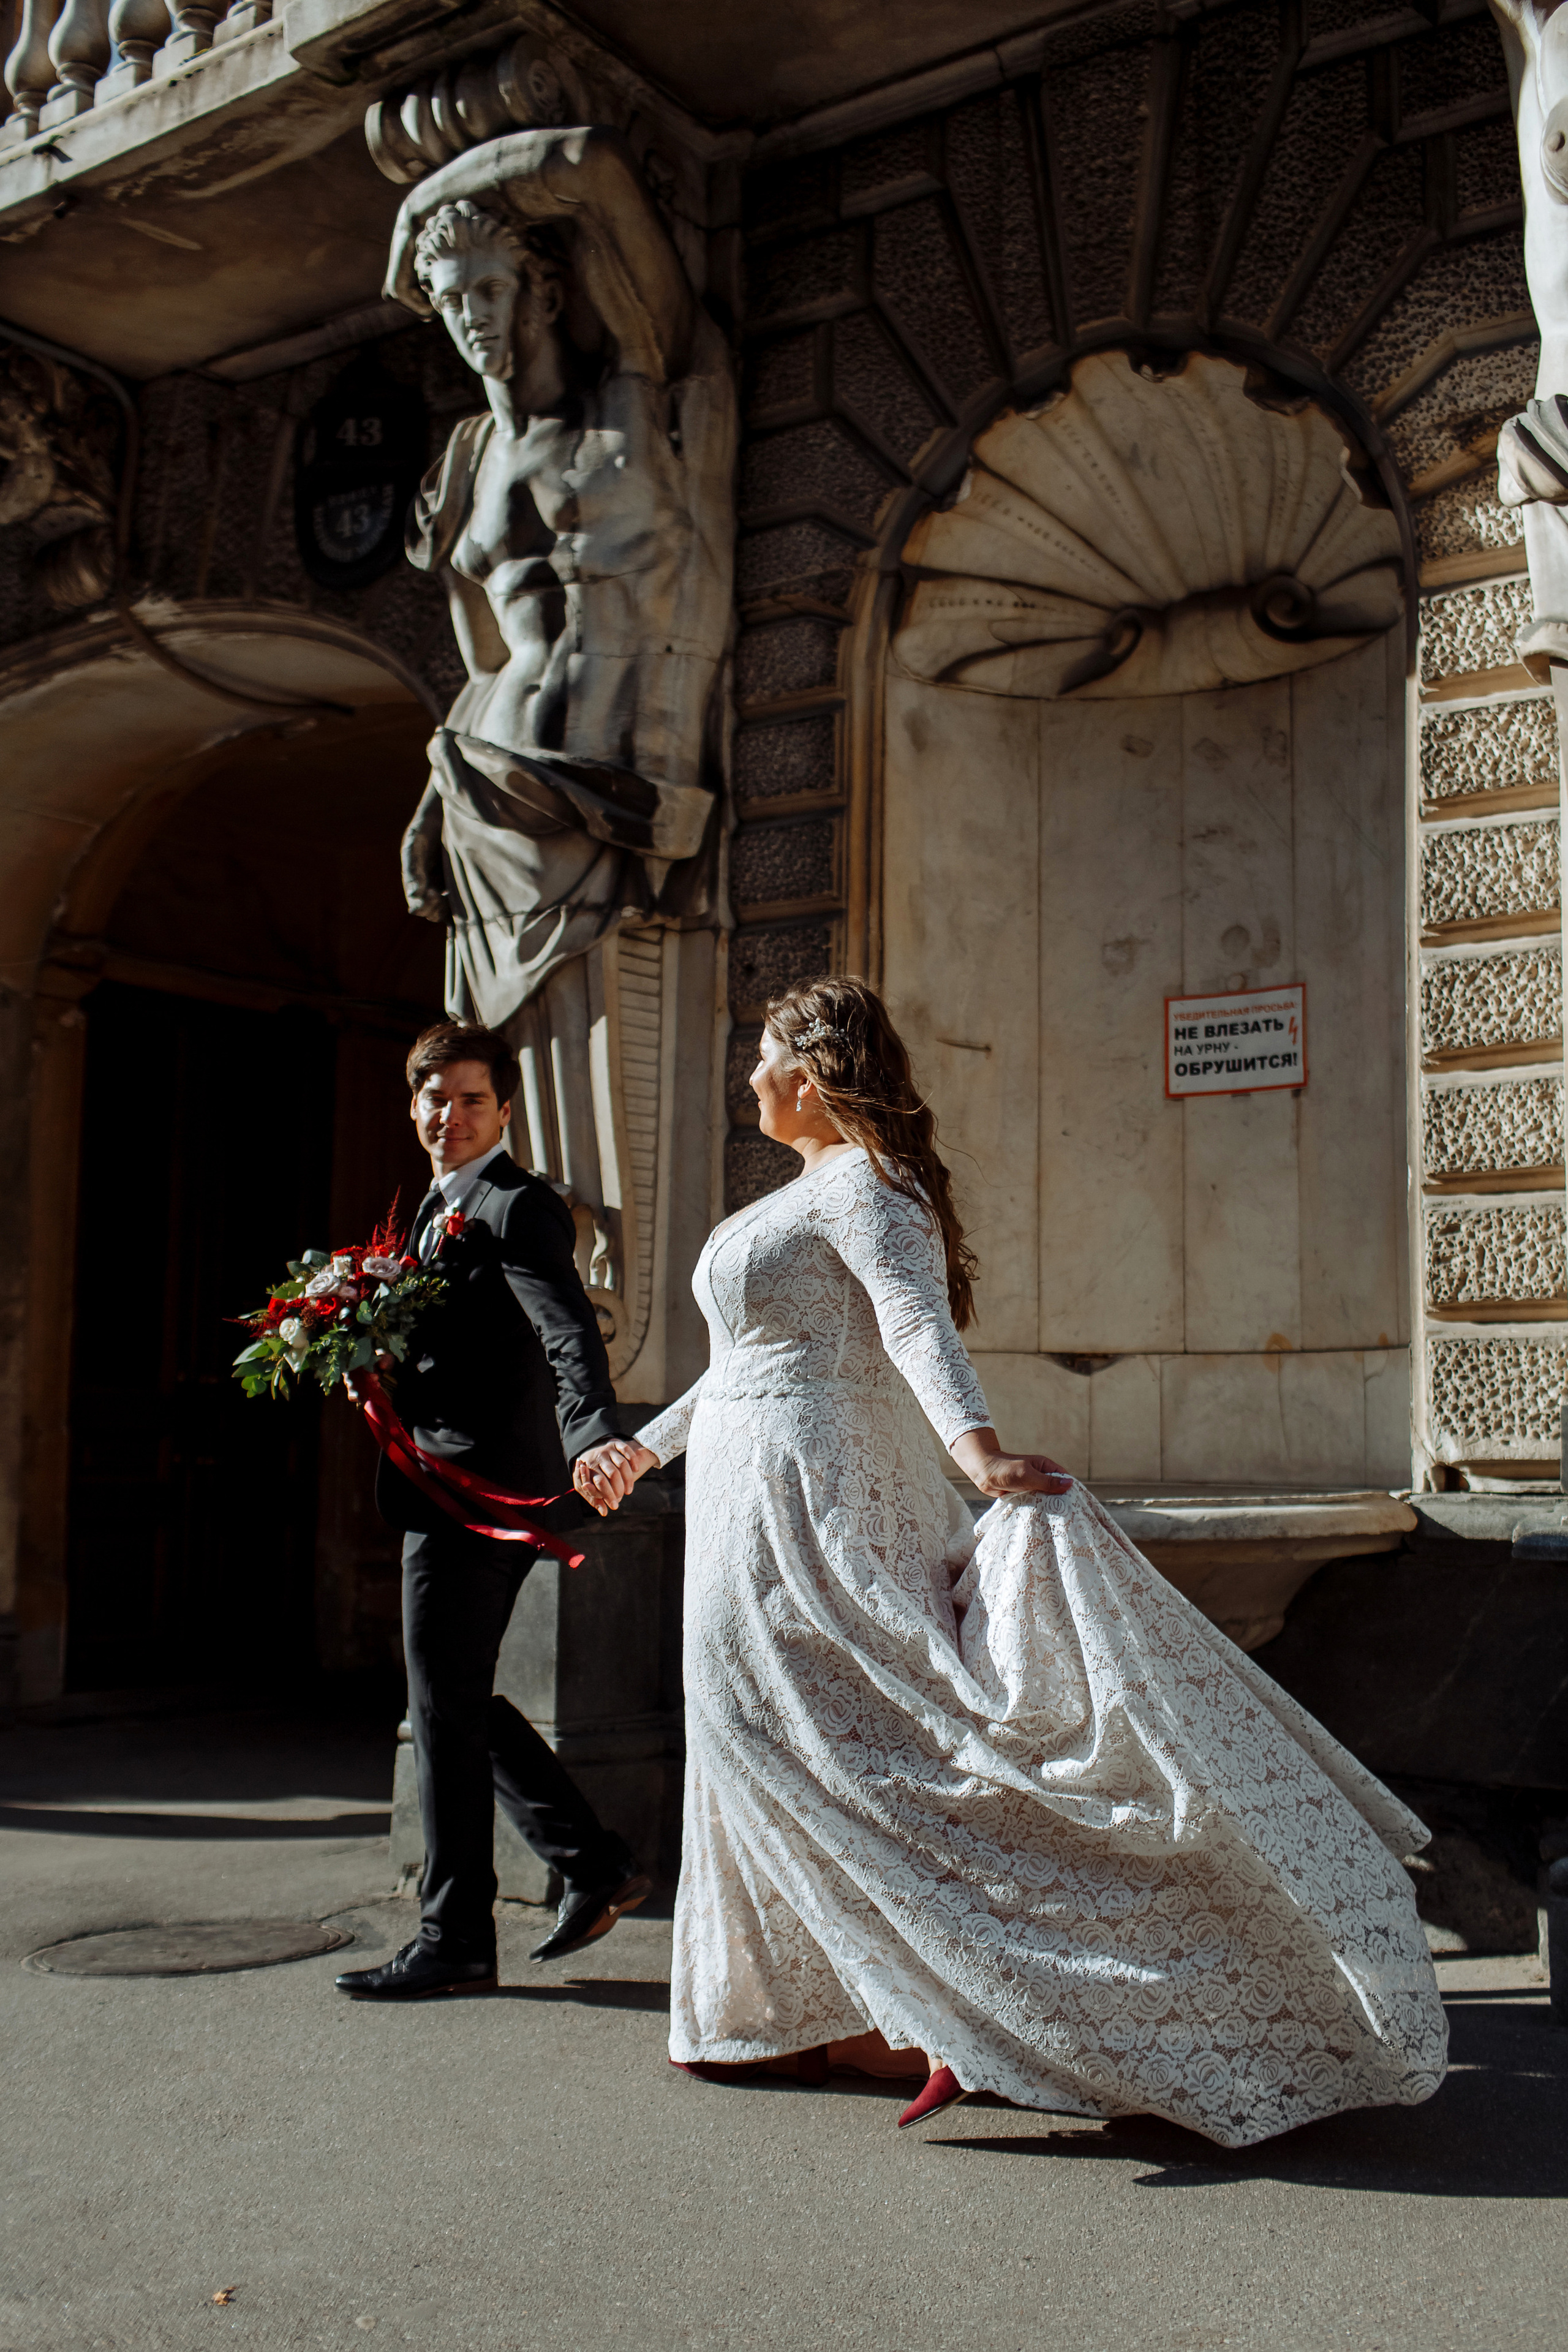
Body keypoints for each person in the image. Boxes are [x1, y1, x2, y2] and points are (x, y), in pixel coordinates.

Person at [573, 977, 1448, 2146]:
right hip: (738, 1487)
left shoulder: (870, 1191)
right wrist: (645, 1445)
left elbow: (915, 1326)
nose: (753, 1078)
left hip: (818, 1495)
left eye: (770, 1057)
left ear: (823, 1069)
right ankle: (814, 2014)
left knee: (858, 1738)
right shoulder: (798, 1194)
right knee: (752, 1730)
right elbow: (741, 1363)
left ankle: (978, 2013)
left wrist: (977, 1454)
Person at [335, 1020, 649, 2002]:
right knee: (451, 1692)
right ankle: (591, 1864)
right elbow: (459, 1352)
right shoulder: (431, 1212)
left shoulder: (517, 1207)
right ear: (415, 1105)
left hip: (482, 1493)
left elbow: (568, 1332)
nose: (450, 1116)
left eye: (472, 1100)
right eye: (435, 1098)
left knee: (441, 1695)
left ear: (505, 1110)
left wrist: (595, 1431)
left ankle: (458, 1932)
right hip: (442, 1480)